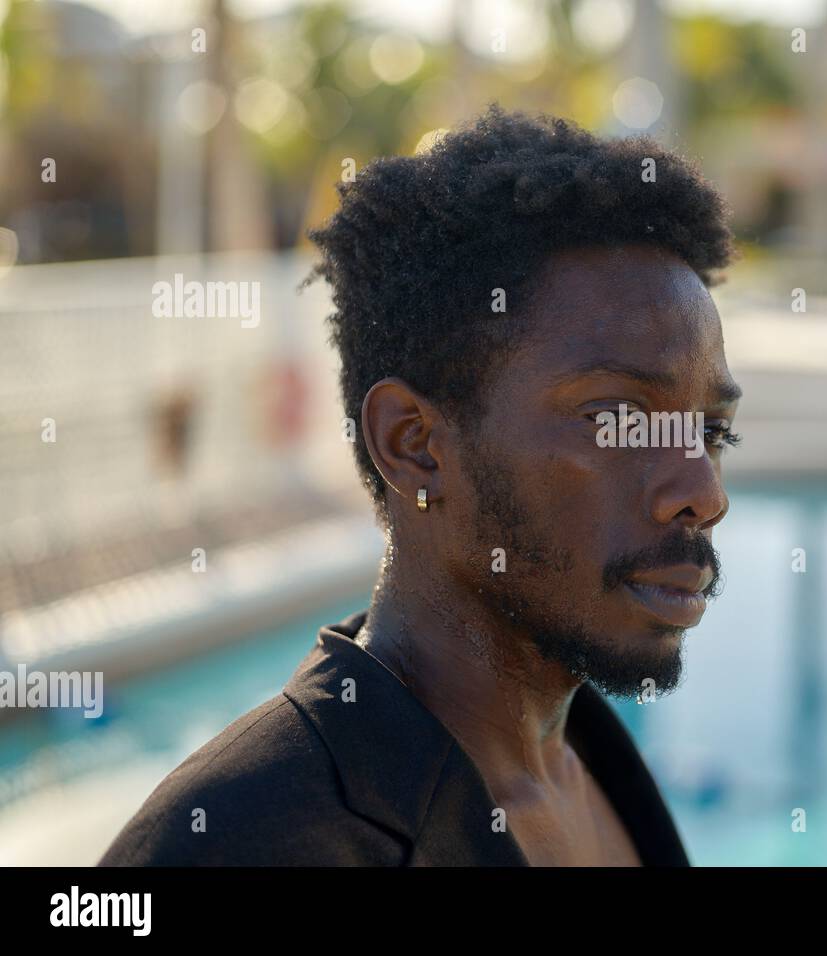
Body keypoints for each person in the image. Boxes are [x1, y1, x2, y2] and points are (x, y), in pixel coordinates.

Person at [99, 104, 743, 866]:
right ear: (414, 446)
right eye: (618, 420)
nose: (704, 491)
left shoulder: (598, 769)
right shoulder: (241, 842)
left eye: (710, 431)